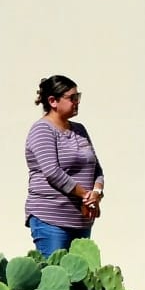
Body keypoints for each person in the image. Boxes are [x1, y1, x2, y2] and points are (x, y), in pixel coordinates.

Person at [25, 75, 104, 258]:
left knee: (80, 274)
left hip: (81, 220)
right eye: (72, 98)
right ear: (53, 101)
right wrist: (85, 195)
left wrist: (96, 193)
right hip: (51, 219)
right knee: (55, 272)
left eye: (78, 97)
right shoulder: (42, 130)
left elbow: (96, 169)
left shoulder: (79, 130)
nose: (77, 102)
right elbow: (52, 172)